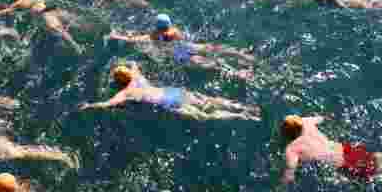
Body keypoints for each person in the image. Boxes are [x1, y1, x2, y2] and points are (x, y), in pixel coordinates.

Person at [280, 115, 382, 192]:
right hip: (348, 150)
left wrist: (279, 191)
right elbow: (323, 117)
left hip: (345, 164)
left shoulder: (292, 149)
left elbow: (289, 174)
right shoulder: (306, 122)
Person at [80, 63, 260, 121]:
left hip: (170, 103)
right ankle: (240, 106)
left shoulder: (126, 92)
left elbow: (108, 103)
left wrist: (90, 105)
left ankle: (242, 115)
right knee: (209, 100)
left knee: (205, 115)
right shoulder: (137, 77)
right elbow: (134, 65)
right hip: (173, 92)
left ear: (119, 82)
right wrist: (130, 64)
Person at [108, 14, 255, 79]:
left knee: (211, 65)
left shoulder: (154, 36)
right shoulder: (174, 30)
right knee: (214, 49)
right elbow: (173, 35)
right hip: (188, 46)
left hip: (180, 55)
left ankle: (238, 73)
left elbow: (134, 39)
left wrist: (117, 36)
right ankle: (243, 55)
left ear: (157, 26)